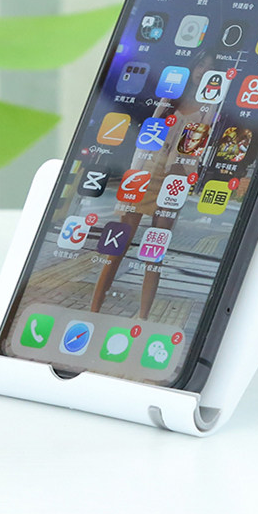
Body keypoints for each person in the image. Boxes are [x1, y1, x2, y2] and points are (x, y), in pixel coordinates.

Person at [90, 52, 217, 317]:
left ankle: (144, 317)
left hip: (174, 178)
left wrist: (180, 178)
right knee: (118, 244)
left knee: (155, 250)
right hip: (147, 170)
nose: (202, 70)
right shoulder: (169, 99)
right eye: (200, 64)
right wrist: (135, 171)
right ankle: (94, 308)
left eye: (209, 68)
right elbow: (148, 137)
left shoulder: (208, 108)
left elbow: (193, 151)